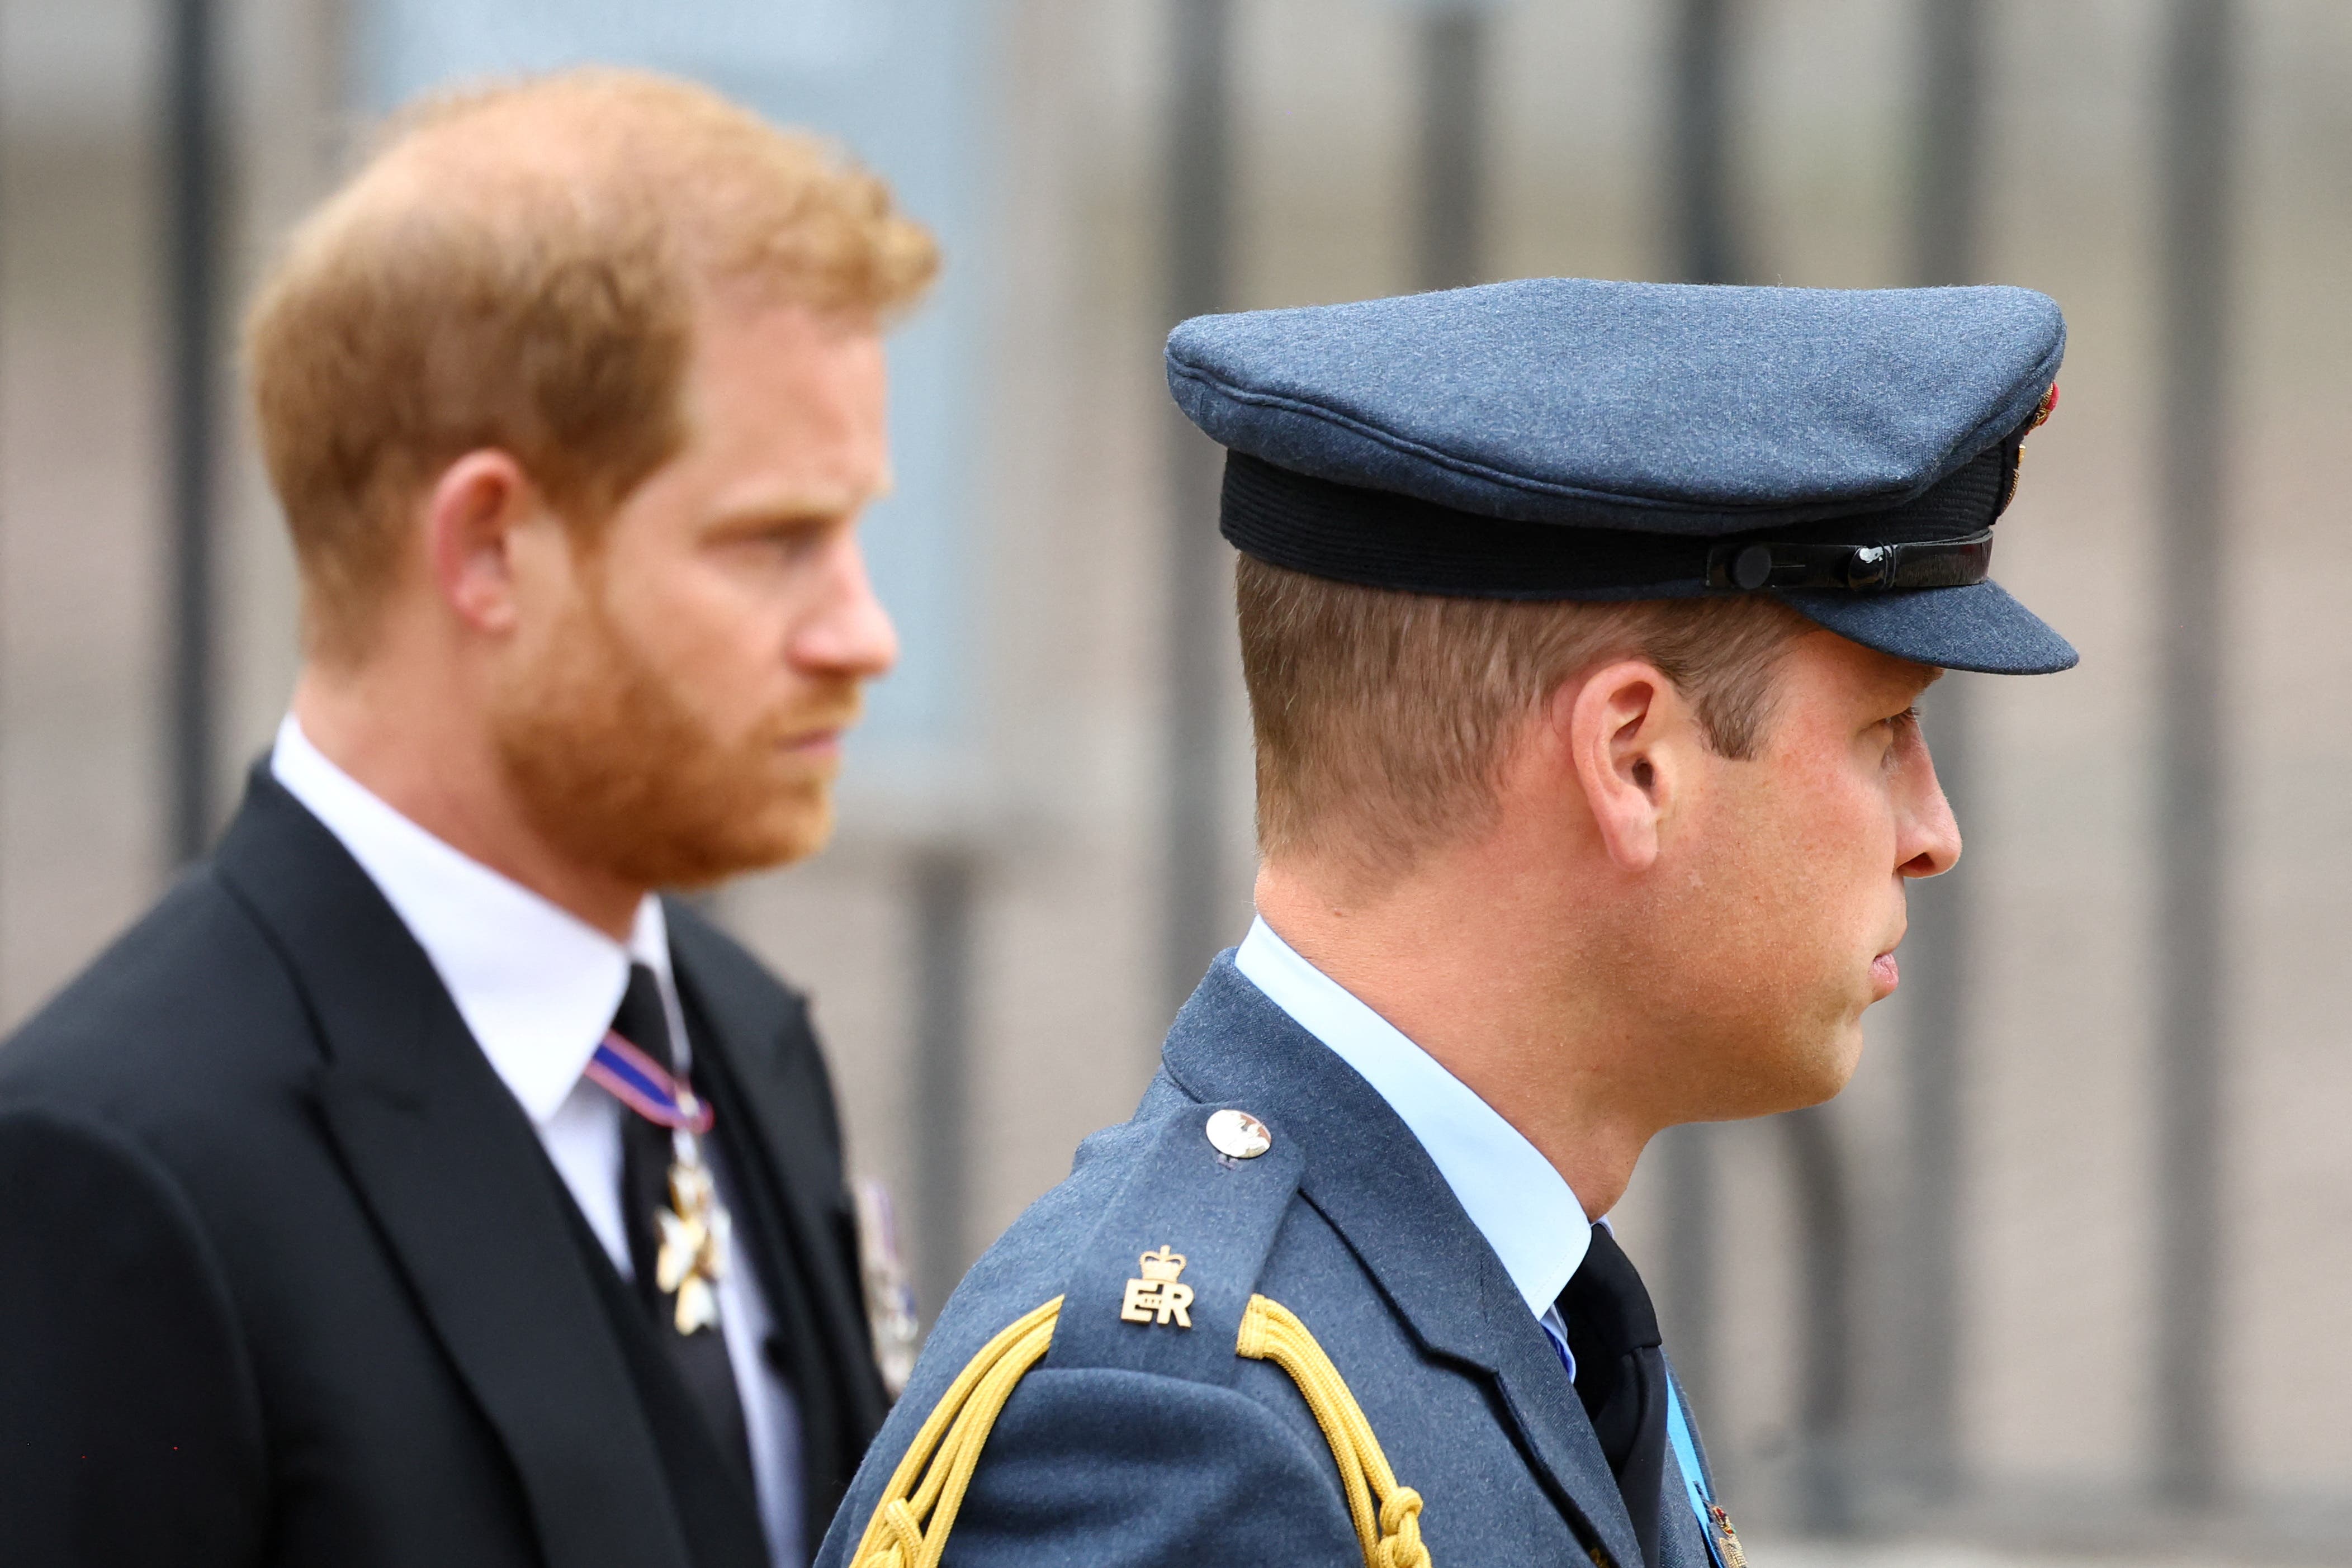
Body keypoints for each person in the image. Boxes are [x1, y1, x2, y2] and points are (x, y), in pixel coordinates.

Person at [817, 278, 2075, 1568]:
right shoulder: (1183, 1434)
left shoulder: (1521, 1303)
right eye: (1882, 733)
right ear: (1633, 761)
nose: (1933, 830)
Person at [0, 70, 936, 1568]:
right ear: (490, 544)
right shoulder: (122, 1172)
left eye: (856, 529)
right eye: (775, 540)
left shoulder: (740, 1038)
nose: (863, 630)